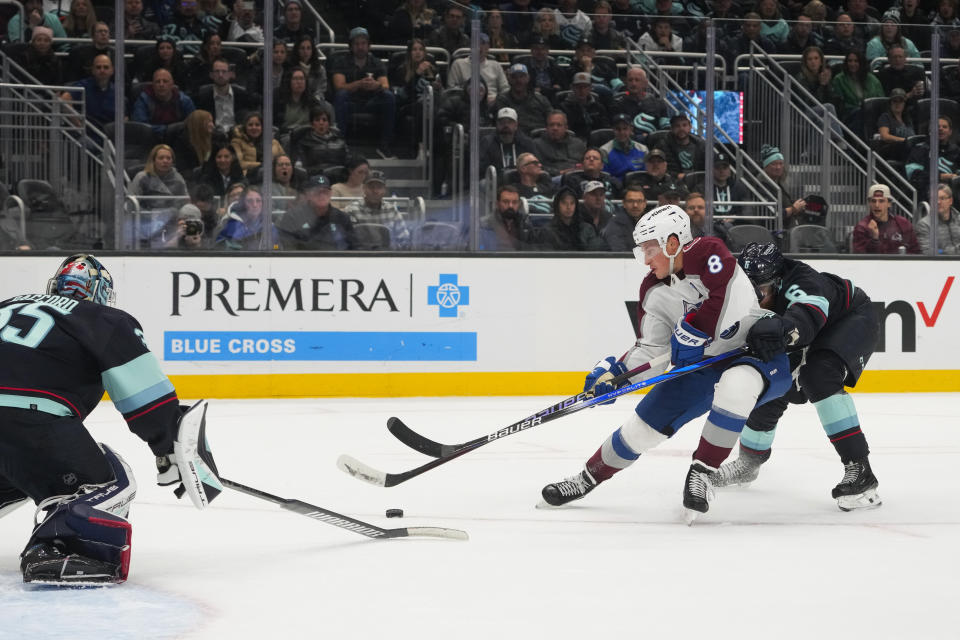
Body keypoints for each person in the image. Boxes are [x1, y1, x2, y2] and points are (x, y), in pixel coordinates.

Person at [538, 206, 790, 521]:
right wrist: (618, 376)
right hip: (705, 365)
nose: (645, 259)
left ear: (672, 244)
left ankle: (703, 472)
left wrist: (693, 331)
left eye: (650, 249)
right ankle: (588, 477)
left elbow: (729, 303)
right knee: (642, 427)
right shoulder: (653, 290)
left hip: (756, 355)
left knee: (735, 387)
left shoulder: (710, 253)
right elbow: (651, 349)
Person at [0, 254, 221, 585]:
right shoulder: (102, 318)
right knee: (108, 483)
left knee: (18, 472)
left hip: (20, 434)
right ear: (100, 292)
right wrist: (169, 447)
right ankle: (60, 549)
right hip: (29, 420)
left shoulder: (6, 305)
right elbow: (148, 399)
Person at [712, 242, 881, 511]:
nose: (755, 298)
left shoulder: (803, 281)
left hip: (849, 319)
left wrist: (782, 328)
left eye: (762, 291)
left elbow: (807, 316)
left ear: (778, 283)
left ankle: (861, 470)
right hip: (799, 327)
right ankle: (749, 462)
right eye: (750, 291)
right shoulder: (741, 285)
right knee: (768, 377)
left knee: (819, 376)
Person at [331, 27, 397, 158]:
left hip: (371, 102)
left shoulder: (376, 63)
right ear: (351, 46)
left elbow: (385, 85)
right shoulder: (340, 62)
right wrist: (359, 83)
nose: (360, 47)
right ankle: (340, 142)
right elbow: (339, 86)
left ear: (368, 45)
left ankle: (384, 145)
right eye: (356, 44)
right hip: (351, 102)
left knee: (389, 96)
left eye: (363, 43)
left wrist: (376, 85)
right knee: (341, 95)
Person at [276, 174, 356, 250]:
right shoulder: (293, 217)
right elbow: (287, 247)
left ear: (331, 194)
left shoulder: (342, 218)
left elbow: (353, 246)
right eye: (317, 191)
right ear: (308, 194)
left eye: (325, 192)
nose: (322, 195)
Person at [129, 144, 189, 244]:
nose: (165, 161)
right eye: (161, 158)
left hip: (171, 225)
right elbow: (131, 203)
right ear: (153, 160)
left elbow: (184, 203)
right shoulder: (142, 177)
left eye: (168, 158)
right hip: (146, 224)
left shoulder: (178, 179)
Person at [344, 170, 411, 249]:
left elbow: (403, 240)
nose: (375, 191)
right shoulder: (352, 210)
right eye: (371, 187)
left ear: (384, 190)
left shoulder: (392, 211)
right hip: (360, 257)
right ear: (364, 188)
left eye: (379, 187)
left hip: (388, 257)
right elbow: (346, 242)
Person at [196, 57, 260, 135]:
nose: (220, 75)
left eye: (224, 71)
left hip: (238, 135)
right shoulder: (203, 95)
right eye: (217, 71)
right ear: (211, 75)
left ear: (230, 74)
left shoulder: (242, 94)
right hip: (213, 135)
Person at [852, 183, 921, 254]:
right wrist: (874, 239)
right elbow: (860, 258)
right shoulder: (862, 227)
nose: (877, 205)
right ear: (869, 203)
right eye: (873, 201)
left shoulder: (903, 223)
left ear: (889, 203)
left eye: (881, 201)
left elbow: (916, 251)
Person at [131, 67, 196, 138]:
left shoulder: (184, 100)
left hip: (178, 139)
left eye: (165, 81)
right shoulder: (143, 100)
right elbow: (141, 127)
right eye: (157, 81)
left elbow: (193, 124)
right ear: (153, 85)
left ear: (172, 84)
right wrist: (169, 130)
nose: (161, 84)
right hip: (151, 139)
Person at [831, 49, 884, 134]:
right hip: (849, 115)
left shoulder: (872, 79)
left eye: (856, 61)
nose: (852, 64)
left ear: (861, 62)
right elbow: (839, 104)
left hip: (871, 114)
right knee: (860, 114)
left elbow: (880, 99)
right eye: (850, 61)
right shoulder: (839, 79)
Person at [446, 34, 508, 105]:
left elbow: (505, 89)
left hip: (492, 103)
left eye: (483, 43)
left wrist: (496, 98)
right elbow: (452, 89)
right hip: (466, 102)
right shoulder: (458, 64)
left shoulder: (496, 65)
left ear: (488, 47)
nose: (479, 47)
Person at [493, 64, 553, 136]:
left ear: (528, 78)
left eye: (522, 76)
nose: (518, 80)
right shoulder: (502, 100)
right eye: (514, 77)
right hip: (513, 138)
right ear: (509, 79)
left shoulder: (541, 99)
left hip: (540, 139)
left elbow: (552, 119)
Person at [59, 53, 115, 129]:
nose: (102, 70)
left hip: (109, 137)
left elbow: (124, 117)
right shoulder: (84, 85)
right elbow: (65, 99)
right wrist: (77, 124)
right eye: (98, 67)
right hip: (87, 135)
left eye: (106, 67)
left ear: (112, 70)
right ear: (93, 70)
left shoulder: (117, 91)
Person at [478, 107, 537, 179]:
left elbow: (534, 165)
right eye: (502, 122)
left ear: (516, 125)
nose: (506, 125)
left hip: (521, 181)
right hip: (495, 181)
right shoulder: (487, 142)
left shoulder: (526, 143)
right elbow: (481, 169)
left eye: (510, 122)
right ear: (497, 124)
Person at [293, 107, 350, 177]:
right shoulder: (304, 142)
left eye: (324, 120)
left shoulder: (339, 141)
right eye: (317, 120)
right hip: (318, 178)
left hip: (340, 176)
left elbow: (349, 161)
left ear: (329, 124)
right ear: (311, 124)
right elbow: (302, 168)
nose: (321, 123)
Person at [478, 184, 538, 251]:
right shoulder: (485, 224)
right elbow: (480, 249)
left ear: (519, 204)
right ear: (497, 204)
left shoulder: (525, 223)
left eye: (514, 202)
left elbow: (532, 248)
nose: (510, 206)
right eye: (506, 202)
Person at [760, 145, 806, 229]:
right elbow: (774, 213)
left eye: (781, 163)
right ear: (765, 166)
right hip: (770, 229)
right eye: (774, 164)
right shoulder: (760, 185)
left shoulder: (779, 183)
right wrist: (793, 209)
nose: (778, 167)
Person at [215, 185, 274, 250]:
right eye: (250, 201)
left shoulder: (270, 226)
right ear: (243, 203)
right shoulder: (231, 224)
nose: (255, 205)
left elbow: (277, 248)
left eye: (258, 200)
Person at [514, 35, 565, 105]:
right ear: (531, 50)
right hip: (529, 101)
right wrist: (551, 89)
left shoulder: (556, 67)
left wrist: (541, 90)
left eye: (543, 49)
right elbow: (524, 87)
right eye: (536, 49)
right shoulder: (523, 67)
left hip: (552, 100)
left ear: (547, 51)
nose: (540, 52)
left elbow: (562, 87)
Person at [230, 111, 285, 175]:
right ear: (245, 127)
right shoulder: (236, 142)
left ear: (262, 127)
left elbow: (284, 160)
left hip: (272, 177)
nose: (254, 127)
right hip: (248, 178)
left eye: (257, 125)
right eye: (250, 125)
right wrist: (262, 165)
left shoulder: (274, 143)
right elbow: (240, 164)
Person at [560, 72, 610, 141]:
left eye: (585, 87)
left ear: (590, 88)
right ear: (572, 88)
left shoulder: (598, 107)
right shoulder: (563, 108)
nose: (582, 90)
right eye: (578, 87)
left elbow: (605, 129)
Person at [535, 111, 587, 176]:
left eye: (559, 125)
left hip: (578, 176)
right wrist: (560, 172)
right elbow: (536, 166)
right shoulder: (536, 144)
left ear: (566, 128)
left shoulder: (578, 144)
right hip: (552, 178)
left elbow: (586, 163)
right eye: (551, 125)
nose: (555, 128)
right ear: (546, 128)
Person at [601, 113, 648, 180]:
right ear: (613, 130)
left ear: (631, 130)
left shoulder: (643, 149)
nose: (622, 132)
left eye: (625, 128)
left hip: (639, 186)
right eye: (618, 129)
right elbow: (604, 176)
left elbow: (646, 174)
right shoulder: (604, 151)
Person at [916, 184, 960, 255]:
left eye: (942, 198)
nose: (938, 202)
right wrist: (954, 251)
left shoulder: (959, 219)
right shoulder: (924, 225)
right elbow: (927, 252)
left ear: (950, 201)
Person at [601, 184, 647, 251]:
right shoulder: (615, 224)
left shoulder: (652, 223)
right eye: (630, 201)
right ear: (624, 204)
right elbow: (620, 254)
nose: (635, 205)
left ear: (645, 204)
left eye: (639, 201)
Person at [541, 186, 589, 251]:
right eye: (564, 203)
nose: (568, 207)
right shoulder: (547, 231)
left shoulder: (585, 228)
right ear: (557, 205)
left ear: (576, 205)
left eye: (572, 203)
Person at [662, 113, 704, 180]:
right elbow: (660, 169)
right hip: (673, 182)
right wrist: (676, 176)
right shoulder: (664, 146)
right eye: (677, 126)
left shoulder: (700, 145)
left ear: (690, 127)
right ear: (672, 128)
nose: (681, 128)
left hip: (698, 181)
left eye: (684, 125)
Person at [875, 88, 914, 159]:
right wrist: (905, 141)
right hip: (894, 152)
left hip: (909, 150)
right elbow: (884, 136)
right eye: (895, 101)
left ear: (904, 104)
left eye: (901, 101)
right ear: (890, 103)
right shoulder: (885, 117)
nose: (897, 104)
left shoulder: (908, 119)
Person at [289, 35, 329, 103]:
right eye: (302, 48)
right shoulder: (290, 67)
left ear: (312, 50)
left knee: (328, 107)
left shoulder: (320, 69)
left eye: (308, 48)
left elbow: (321, 90)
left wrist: (313, 101)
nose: (305, 51)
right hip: (293, 101)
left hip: (314, 102)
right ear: (297, 50)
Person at [579, 180, 612, 250]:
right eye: (594, 194)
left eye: (601, 195)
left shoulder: (609, 218)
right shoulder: (577, 217)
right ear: (584, 197)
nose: (598, 198)